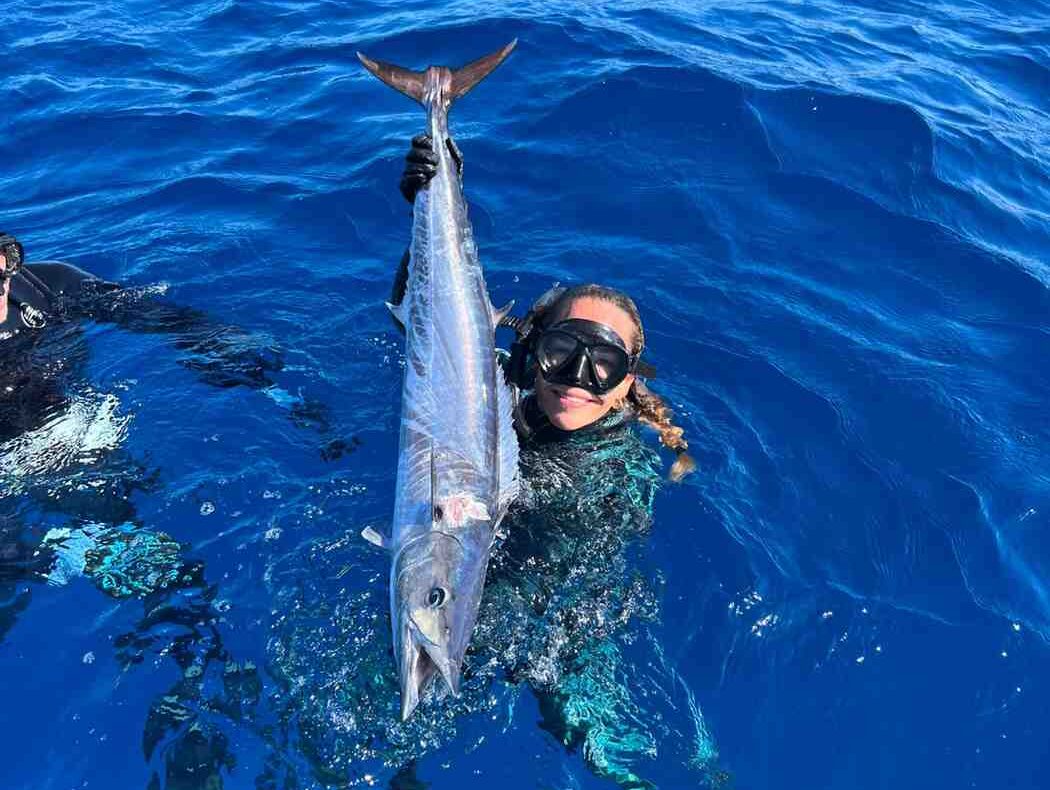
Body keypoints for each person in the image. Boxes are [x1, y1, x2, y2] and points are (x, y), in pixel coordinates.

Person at [392, 137, 718, 788]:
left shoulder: (621, 464)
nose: (576, 379)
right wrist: (428, 197)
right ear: (534, 349)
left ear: (627, 384)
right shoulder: (495, 393)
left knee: (584, 735)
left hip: (555, 613)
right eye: (563, 353)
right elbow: (426, 332)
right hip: (466, 567)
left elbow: (589, 562)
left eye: (603, 366)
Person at [0, 231, 320, 643]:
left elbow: (159, 316)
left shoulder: (48, 288)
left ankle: (193, 645)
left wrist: (231, 351)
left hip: (73, 434)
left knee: (155, 570)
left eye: (6, 262)